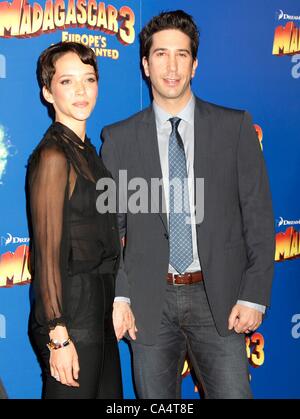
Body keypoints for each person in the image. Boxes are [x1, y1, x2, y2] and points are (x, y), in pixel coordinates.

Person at [101, 10, 275, 399]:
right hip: (149, 302)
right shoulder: (119, 138)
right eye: (161, 54)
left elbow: (260, 220)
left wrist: (253, 294)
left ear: (195, 64)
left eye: (181, 55)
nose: (172, 66)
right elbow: (110, 231)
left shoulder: (235, 128)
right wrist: (120, 295)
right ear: (145, 65)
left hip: (221, 301)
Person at [27, 42, 122, 399]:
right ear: (48, 92)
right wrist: (58, 335)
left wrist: (118, 302)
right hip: (70, 312)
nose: (82, 90)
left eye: (89, 79)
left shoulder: (88, 152)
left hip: (100, 306)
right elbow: (46, 254)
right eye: (67, 81)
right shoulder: (53, 155)